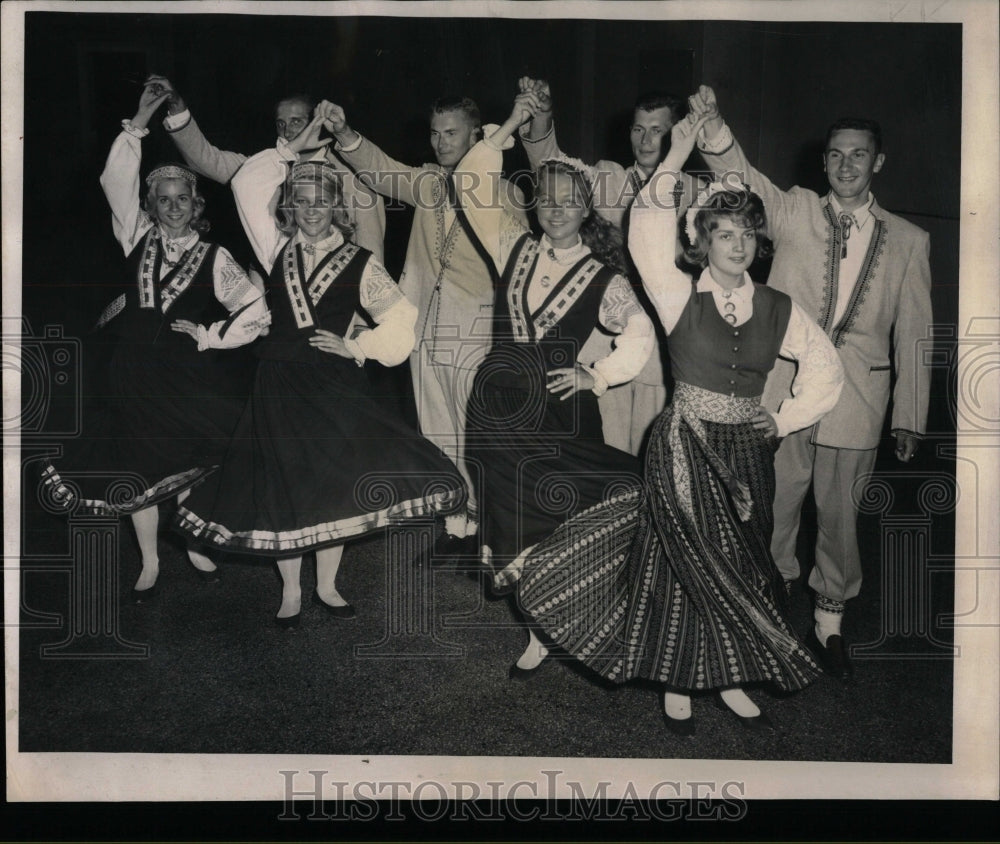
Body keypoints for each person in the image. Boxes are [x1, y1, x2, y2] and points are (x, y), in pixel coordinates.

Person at [512, 107, 845, 734]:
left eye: (746, 234)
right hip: (683, 445)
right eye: (724, 234)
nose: (737, 244)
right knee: (679, 557)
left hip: (748, 451)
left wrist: (783, 417)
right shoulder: (675, 294)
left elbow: (826, 368)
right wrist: (674, 157)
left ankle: (734, 675)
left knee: (742, 558)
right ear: (703, 241)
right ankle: (677, 677)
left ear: (757, 243)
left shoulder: (779, 306)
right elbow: (644, 229)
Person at [175, 111, 463, 628]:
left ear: (337, 205)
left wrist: (358, 346)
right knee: (286, 484)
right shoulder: (274, 249)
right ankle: (289, 591)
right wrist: (210, 335)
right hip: (279, 384)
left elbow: (402, 319)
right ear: (289, 208)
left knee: (332, 483)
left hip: (334, 385)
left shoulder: (360, 262)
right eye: (301, 202)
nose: (311, 211)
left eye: (322, 201)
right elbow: (250, 183)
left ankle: (328, 586)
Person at [692, 85, 933, 678]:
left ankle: (829, 622)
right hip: (781, 391)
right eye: (835, 154)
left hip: (859, 398)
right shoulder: (795, 207)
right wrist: (717, 130)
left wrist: (910, 414)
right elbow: (741, 175)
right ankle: (767, 598)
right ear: (822, 161)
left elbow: (914, 334)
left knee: (840, 514)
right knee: (773, 500)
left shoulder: (909, 240)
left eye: (858, 154)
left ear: (877, 162)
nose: (845, 164)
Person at [40, 81, 269, 600]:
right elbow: (113, 179)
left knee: (186, 461)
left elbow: (254, 310)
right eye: (162, 200)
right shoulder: (134, 233)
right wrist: (140, 120)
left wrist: (213, 335)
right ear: (149, 204)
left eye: (182, 199)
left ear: (196, 204)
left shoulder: (215, 256)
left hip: (185, 373)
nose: (172, 207)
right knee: (136, 465)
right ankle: (148, 560)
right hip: (130, 372)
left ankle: (191, 539)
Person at [452, 90, 654, 621]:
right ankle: (539, 631)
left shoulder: (604, 274)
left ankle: (565, 618)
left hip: (560, 409)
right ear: (535, 204)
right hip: (497, 408)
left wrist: (599, 375)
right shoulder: (511, 244)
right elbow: (470, 183)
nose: (558, 209)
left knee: (562, 515)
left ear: (586, 207)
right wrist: (514, 121)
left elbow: (639, 330)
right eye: (548, 199)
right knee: (513, 520)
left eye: (569, 200)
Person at [317, 95, 529, 558]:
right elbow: (382, 171)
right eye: (434, 132)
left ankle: (492, 530)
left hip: (475, 327)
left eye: (451, 133)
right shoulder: (429, 182)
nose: (440, 142)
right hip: (423, 327)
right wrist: (345, 133)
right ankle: (457, 525)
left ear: (477, 135)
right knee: (436, 431)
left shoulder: (505, 191)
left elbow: (518, 266)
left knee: (476, 433)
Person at [516, 79, 695, 456]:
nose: (645, 141)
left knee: (656, 456)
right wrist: (543, 112)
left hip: (665, 348)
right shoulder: (607, 178)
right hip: (603, 341)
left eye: (657, 131)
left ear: (678, 134)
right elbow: (551, 166)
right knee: (607, 452)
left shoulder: (697, 194)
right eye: (638, 129)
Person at [144, 75, 386, 261]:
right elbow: (207, 159)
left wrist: (361, 324)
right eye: (281, 123)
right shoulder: (265, 168)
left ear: (318, 123)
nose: (287, 131)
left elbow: (370, 251)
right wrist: (177, 108)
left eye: (296, 122)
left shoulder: (351, 177)